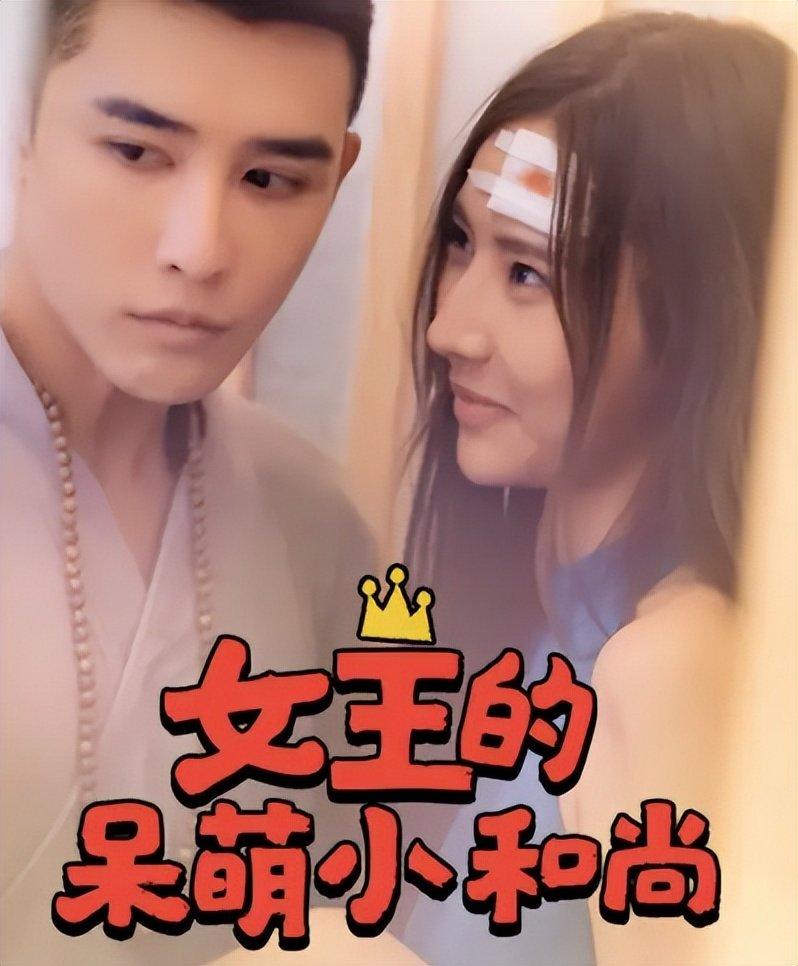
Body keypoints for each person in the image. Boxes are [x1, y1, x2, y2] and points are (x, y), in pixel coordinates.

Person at [396, 11, 792, 965]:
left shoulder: (670, 664)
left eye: (527, 273)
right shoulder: (532, 613)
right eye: (461, 243)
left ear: (702, 316)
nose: (451, 328)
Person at [0, 1, 376, 964]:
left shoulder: (313, 517)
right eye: (136, 152)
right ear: (25, 124)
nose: (198, 249)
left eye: (269, 179)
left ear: (337, 178)